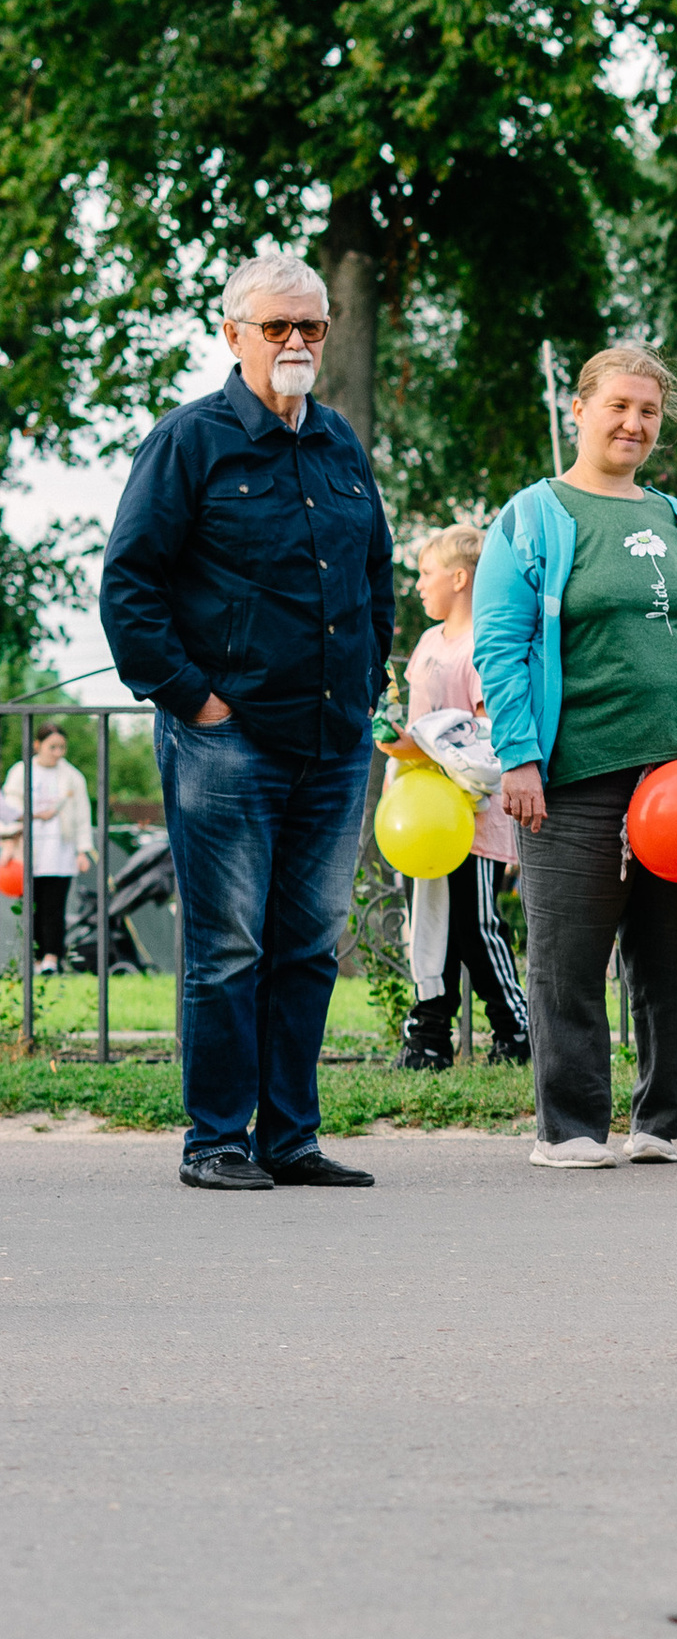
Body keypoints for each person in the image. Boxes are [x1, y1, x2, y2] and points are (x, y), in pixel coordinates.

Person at [100, 249, 394, 1194]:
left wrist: (369, 679)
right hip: (226, 739)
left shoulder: (340, 443)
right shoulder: (188, 442)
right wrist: (195, 699)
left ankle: (289, 1139)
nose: (298, 342)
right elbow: (130, 588)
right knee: (229, 949)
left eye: (311, 324)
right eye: (277, 327)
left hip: (334, 739)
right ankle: (216, 1141)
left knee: (308, 947)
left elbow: (374, 578)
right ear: (233, 335)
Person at [474, 343, 677, 1169]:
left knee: (671, 963)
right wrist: (518, 755)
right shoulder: (534, 514)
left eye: (649, 412)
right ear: (580, 411)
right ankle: (572, 1128)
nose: (634, 423)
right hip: (578, 769)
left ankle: (661, 1123)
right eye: (619, 406)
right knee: (567, 957)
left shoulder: (676, 515)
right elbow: (499, 642)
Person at [394, 524, 529, 1071]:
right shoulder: (428, 643)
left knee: (475, 925)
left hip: (470, 818)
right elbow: (413, 728)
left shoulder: (483, 646)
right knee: (429, 929)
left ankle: (517, 1030)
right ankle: (429, 1037)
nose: (419, 585)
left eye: (427, 574)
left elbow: (484, 739)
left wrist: (427, 744)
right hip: (420, 816)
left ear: (459, 577)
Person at [1, 724, 94, 973]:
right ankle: (34, 957)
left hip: (60, 850)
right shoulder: (21, 772)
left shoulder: (72, 777)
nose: (58, 752)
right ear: (37, 745)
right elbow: (8, 810)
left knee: (54, 908)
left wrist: (82, 850)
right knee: (32, 908)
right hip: (27, 852)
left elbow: (83, 815)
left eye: (62, 747)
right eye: (52, 747)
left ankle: (51, 958)